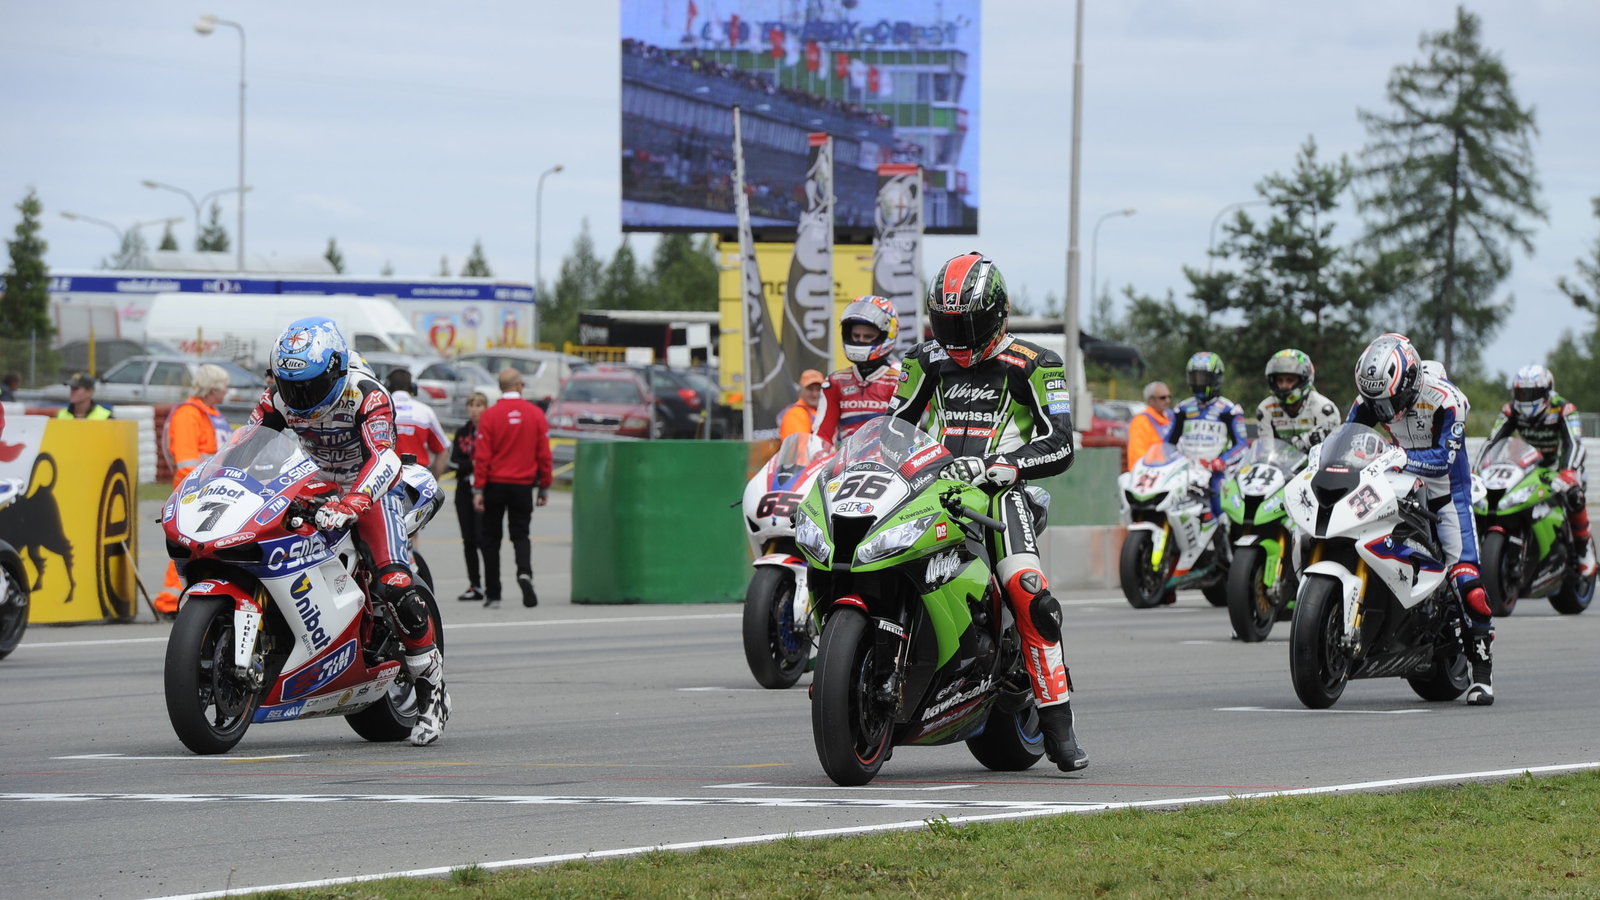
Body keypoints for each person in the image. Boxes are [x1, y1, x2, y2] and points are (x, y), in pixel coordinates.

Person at [890, 251, 1087, 773]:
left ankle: (1058, 723)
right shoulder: (922, 360)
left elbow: (1062, 444)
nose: (957, 336)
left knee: (1029, 593)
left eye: (968, 324)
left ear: (999, 314)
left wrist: (1007, 466)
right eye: (947, 323)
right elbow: (893, 428)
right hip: (929, 487)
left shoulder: (1037, 363)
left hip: (1000, 493)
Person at [251, 316, 450, 745]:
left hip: (370, 487)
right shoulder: (276, 399)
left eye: (310, 386)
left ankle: (431, 691)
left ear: (335, 370)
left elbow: (385, 458)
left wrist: (353, 502)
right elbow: (249, 446)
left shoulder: (366, 394)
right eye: (291, 386)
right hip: (310, 486)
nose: (300, 397)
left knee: (394, 582)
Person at [1348, 332, 1493, 706]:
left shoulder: (1447, 400)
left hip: (1446, 494)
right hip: (1395, 485)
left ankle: (1481, 672)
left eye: (1390, 401)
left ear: (1410, 383)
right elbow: (1349, 438)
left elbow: (1445, 459)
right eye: (1375, 404)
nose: (1384, 412)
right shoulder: (1370, 399)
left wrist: (1401, 457)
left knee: (1469, 587)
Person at [1481, 364, 1593, 576]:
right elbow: (1492, 440)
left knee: (1574, 495)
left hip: (1561, 467)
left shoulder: (1564, 408)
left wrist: (1569, 471)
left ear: (1547, 391)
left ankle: (1583, 548)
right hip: (1528, 466)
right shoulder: (1511, 409)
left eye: (1532, 394)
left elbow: (1574, 443)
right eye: (1521, 394)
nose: (1525, 400)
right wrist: (1478, 469)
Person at [152, 364, 233, 617]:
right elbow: (186, 460)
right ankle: (169, 601)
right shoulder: (188, 414)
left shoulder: (212, 414)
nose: (227, 391)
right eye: (224, 386)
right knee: (187, 546)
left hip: (217, 489)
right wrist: (199, 487)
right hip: (194, 491)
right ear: (213, 388)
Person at [473, 368, 553, 610]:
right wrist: (544, 486)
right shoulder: (535, 414)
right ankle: (524, 572)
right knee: (520, 534)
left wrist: (478, 489)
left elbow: (482, 456)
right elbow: (544, 454)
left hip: (495, 484)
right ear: (519, 385)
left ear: (501, 388)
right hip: (523, 485)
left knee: (491, 539)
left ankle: (493, 594)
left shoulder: (489, 416)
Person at [1164, 352, 1249, 520]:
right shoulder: (1182, 409)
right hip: (1186, 470)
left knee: (1220, 500)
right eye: (1194, 378)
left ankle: (1223, 531)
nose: (1198, 383)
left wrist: (1221, 461)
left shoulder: (1229, 410)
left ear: (1215, 378)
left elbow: (1242, 445)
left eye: (1202, 378)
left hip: (1216, 471)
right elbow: (1168, 443)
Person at [813, 296, 901, 443]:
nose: (860, 340)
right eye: (855, 335)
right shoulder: (835, 382)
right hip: (848, 456)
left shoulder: (900, 379)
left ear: (885, 335)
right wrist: (817, 454)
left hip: (889, 455)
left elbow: (910, 431)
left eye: (868, 336)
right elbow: (822, 435)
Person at [449, 391, 491, 603]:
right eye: (471, 405)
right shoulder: (463, 432)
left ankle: (491, 584)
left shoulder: (491, 430)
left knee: (484, 538)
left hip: (485, 490)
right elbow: (454, 461)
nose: (475, 410)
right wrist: (472, 464)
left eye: (479, 405)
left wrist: (478, 465)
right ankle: (475, 584)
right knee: (469, 540)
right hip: (464, 489)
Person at [1256, 348, 1341, 453]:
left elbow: (1331, 452)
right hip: (1281, 463)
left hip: (1315, 463)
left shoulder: (1324, 409)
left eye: (1290, 380)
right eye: (1280, 380)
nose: (1284, 385)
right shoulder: (1265, 409)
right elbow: (1266, 450)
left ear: (1303, 379)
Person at [386, 368, 449, 476]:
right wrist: (433, 480)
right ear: (413, 388)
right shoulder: (425, 411)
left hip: (386, 476)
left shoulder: (379, 409)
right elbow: (443, 449)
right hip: (418, 477)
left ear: (387, 387)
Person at [1124, 381, 1172, 472]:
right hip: (1151, 474)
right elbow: (1137, 458)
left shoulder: (1170, 419)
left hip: (1169, 471)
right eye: (1163, 398)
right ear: (1151, 400)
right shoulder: (1140, 422)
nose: (1168, 401)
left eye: (1169, 397)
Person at [778, 369, 824, 441]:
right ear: (801, 390)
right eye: (810, 389)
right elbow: (799, 445)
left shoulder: (821, 410)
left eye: (818, 389)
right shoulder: (796, 414)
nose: (814, 394)